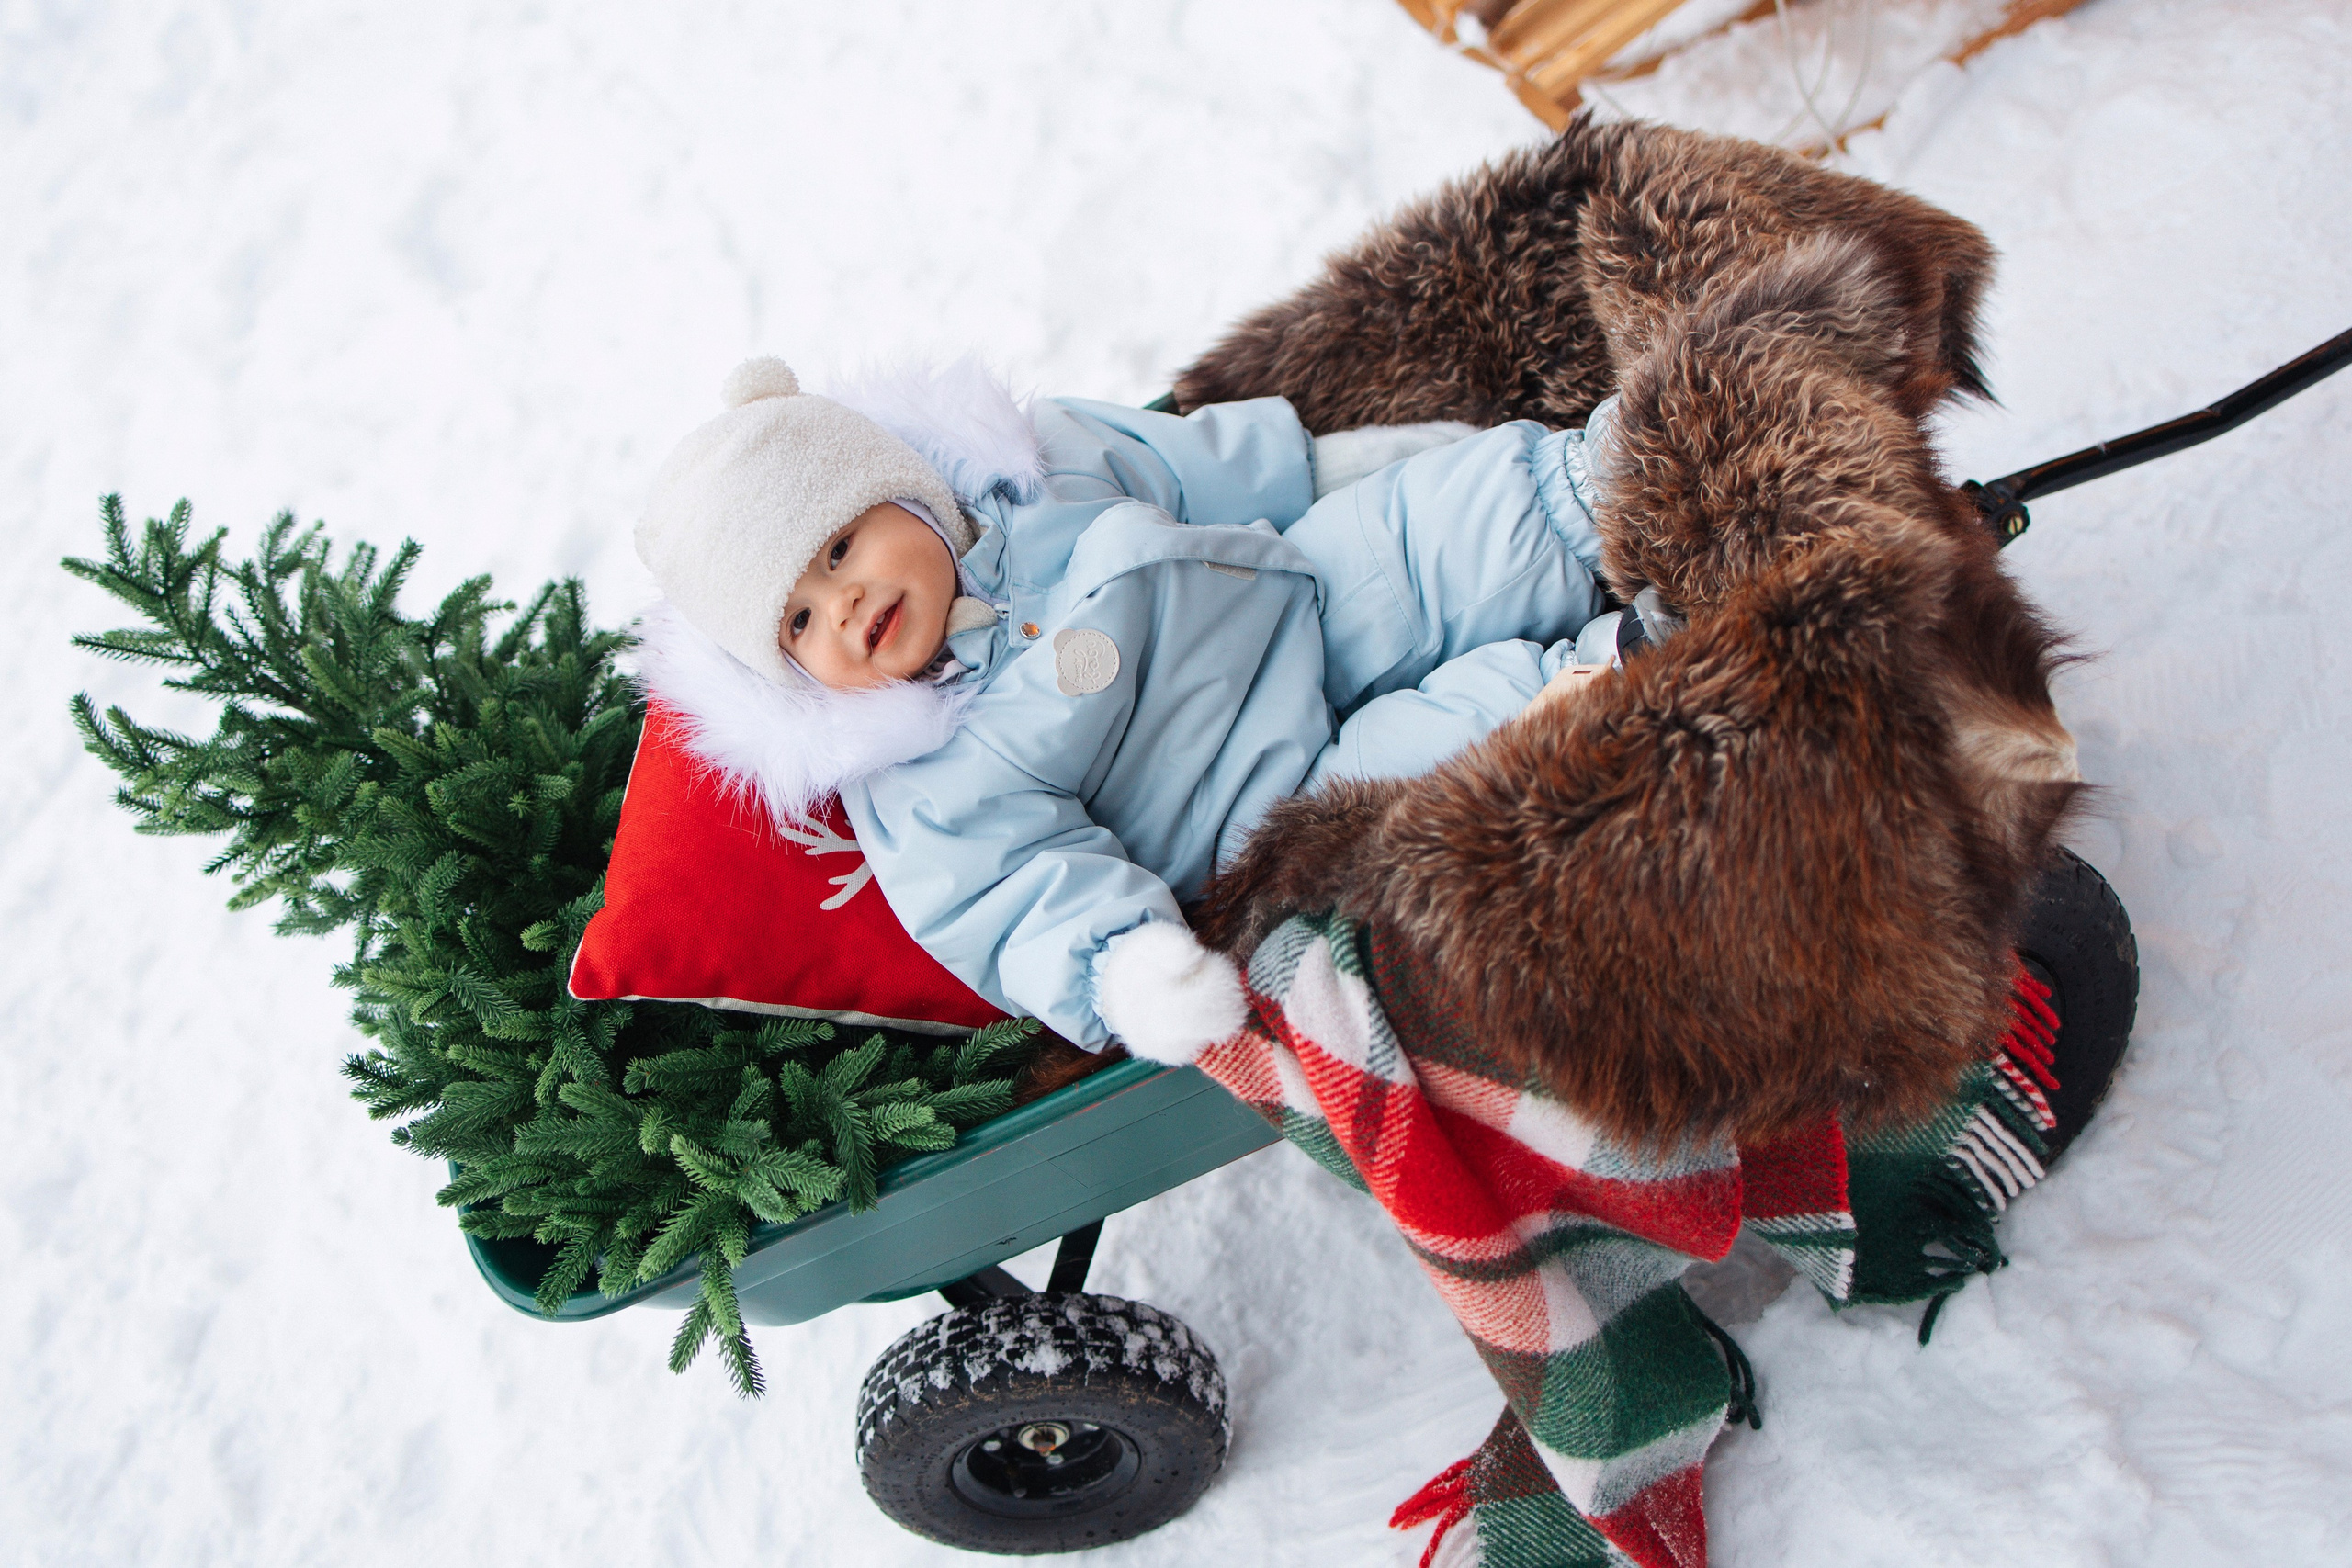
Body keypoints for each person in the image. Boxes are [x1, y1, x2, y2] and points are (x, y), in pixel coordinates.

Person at [633, 356, 1624, 1064]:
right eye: (800, 620)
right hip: (1265, 804)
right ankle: (1617, 670)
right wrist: (1122, 967)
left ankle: (1605, 485)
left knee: (1408, 539)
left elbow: (1198, 466)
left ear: (908, 491)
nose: (844, 606)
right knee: (1436, 755)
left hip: (1290, 596)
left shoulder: (1044, 469)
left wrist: (1338, 467)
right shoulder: (928, 779)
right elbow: (1015, 893)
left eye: (841, 550)